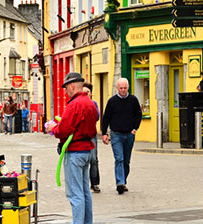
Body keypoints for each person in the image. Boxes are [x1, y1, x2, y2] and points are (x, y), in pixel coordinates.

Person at [47, 72, 98, 224]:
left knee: (75, 194)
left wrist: (53, 128)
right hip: (87, 149)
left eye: (66, 87)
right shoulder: (90, 102)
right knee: (84, 192)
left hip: (75, 152)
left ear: (72, 86)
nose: (65, 91)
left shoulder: (74, 104)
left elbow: (63, 130)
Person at [101, 78, 142, 195]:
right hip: (116, 134)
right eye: (121, 88)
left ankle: (123, 181)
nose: (123, 90)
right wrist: (104, 133)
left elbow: (138, 115)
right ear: (117, 88)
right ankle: (119, 183)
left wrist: (135, 129)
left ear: (128, 87)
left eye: (125, 88)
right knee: (119, 158)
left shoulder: (133, 100)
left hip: (129, 134)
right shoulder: (112, 101)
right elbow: (106, 118)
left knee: (126, 161)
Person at [83, 83, 101, 193]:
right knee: (83, 160)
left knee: (94, 159)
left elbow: (97, 116)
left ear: (91, 93)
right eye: (84, 92)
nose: (86, 94)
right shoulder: (77, 103)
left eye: (88, 92)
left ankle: (94, 183)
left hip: (91, 135)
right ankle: (83, 184)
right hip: (81, 136)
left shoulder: (94, 104)